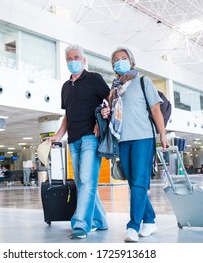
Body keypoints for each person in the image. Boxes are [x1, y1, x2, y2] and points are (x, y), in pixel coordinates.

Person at [101, 46, 168, 242]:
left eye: (123, 58)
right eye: (115, 60)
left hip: (143, 138)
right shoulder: (114, 89)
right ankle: (150, 220)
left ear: (131, 61)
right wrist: (106, 112)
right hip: (123, 140)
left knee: (139, 182)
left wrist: (162, 134)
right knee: (134, 183)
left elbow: (156, 109)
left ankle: (133, 226)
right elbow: (111, 113)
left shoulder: (142, 81)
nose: (119, 61)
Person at [50, 44, 110, 239]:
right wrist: (59, 135)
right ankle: (100, 221)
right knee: (82, 182)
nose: (72, 61)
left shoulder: (94, 79)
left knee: (86, 181)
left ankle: (81, 225)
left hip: (91, 138)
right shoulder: (66, 87)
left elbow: (111, 100)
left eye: (76, 57)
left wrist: (102, 122)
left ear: (84, 60)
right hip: (73, 140)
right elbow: (67, 115)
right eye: (69, 59)